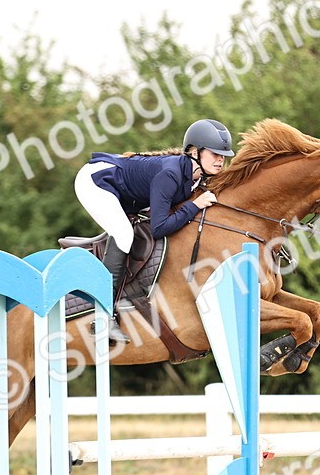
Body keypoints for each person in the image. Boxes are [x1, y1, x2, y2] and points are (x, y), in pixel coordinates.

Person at [73, 118, 235, 343]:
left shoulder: (197, 177)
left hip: (123, 191)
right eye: (215, 154)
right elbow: (159, 228)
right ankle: (102, 318)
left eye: (223, 155)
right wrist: (194, 206)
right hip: (97, 182)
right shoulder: (170, 174)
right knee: (124, 234)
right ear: (195, 152)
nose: (220, 160)